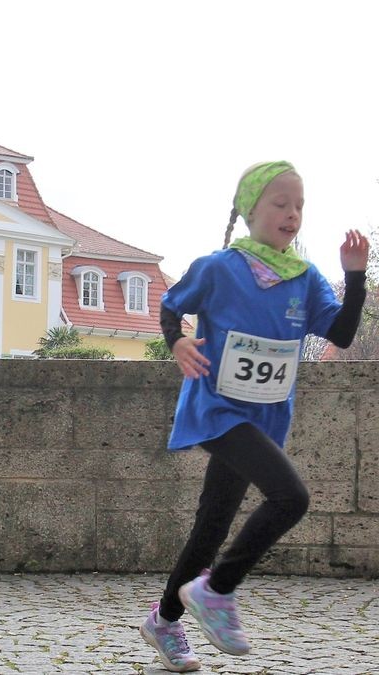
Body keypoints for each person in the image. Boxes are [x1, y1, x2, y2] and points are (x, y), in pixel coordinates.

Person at [139, 161, 369, 672]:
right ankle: (218, 590)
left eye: (299, 206)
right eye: (280, 204)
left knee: (211, 525)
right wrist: (177, 340)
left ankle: (164, 620)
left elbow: (344, 334)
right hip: (217, 411)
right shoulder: (219, 267)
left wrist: (356, 276)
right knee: (292, 497)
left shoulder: (305, 278)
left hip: (265, 418)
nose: (292, 214)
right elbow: (172, 305)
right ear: (251, 210)